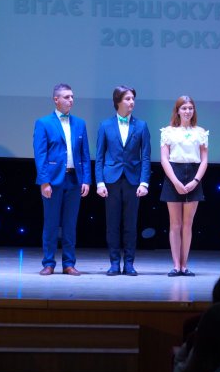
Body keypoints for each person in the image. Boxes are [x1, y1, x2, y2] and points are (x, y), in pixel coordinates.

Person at [33, 83, 91, 276]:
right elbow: (40, 154)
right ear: (56, 99)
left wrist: (86, 179)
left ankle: (69, 263)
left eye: (72, 96)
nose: (71, 100)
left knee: (70, 225)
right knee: (51, 223)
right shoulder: (43, 123)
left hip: (74, 179)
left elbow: (84, 154)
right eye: (67, 97)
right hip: (53, 180)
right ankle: (49, 263)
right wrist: (44, 182)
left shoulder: (80, 123)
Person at [95, 85, 151, 276]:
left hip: (133, 181)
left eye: (133, 98)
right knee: (112, 224)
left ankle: (129, 263)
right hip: (111, 180)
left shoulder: (141, 125)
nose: (131, 102)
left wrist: (144, 182)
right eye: (127, 99)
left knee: (130, 224)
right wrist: (100, 182)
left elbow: (145, 157)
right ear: (118, 101)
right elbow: (99, 156)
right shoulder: (105, 125)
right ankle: (113, 263)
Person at [160, 96, 208, 277]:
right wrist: (175, 181)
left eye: (190, 108)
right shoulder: (168, 131)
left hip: (193, 175)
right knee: (175, 224)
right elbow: (164, 159)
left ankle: (184, 265)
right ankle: (175, 265)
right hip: (174, 175)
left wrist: (195, 180)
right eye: (184, 108)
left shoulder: (200, 132)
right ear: (178, 111)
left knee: (188, 224)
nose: (187, 111)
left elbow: (204, 160)